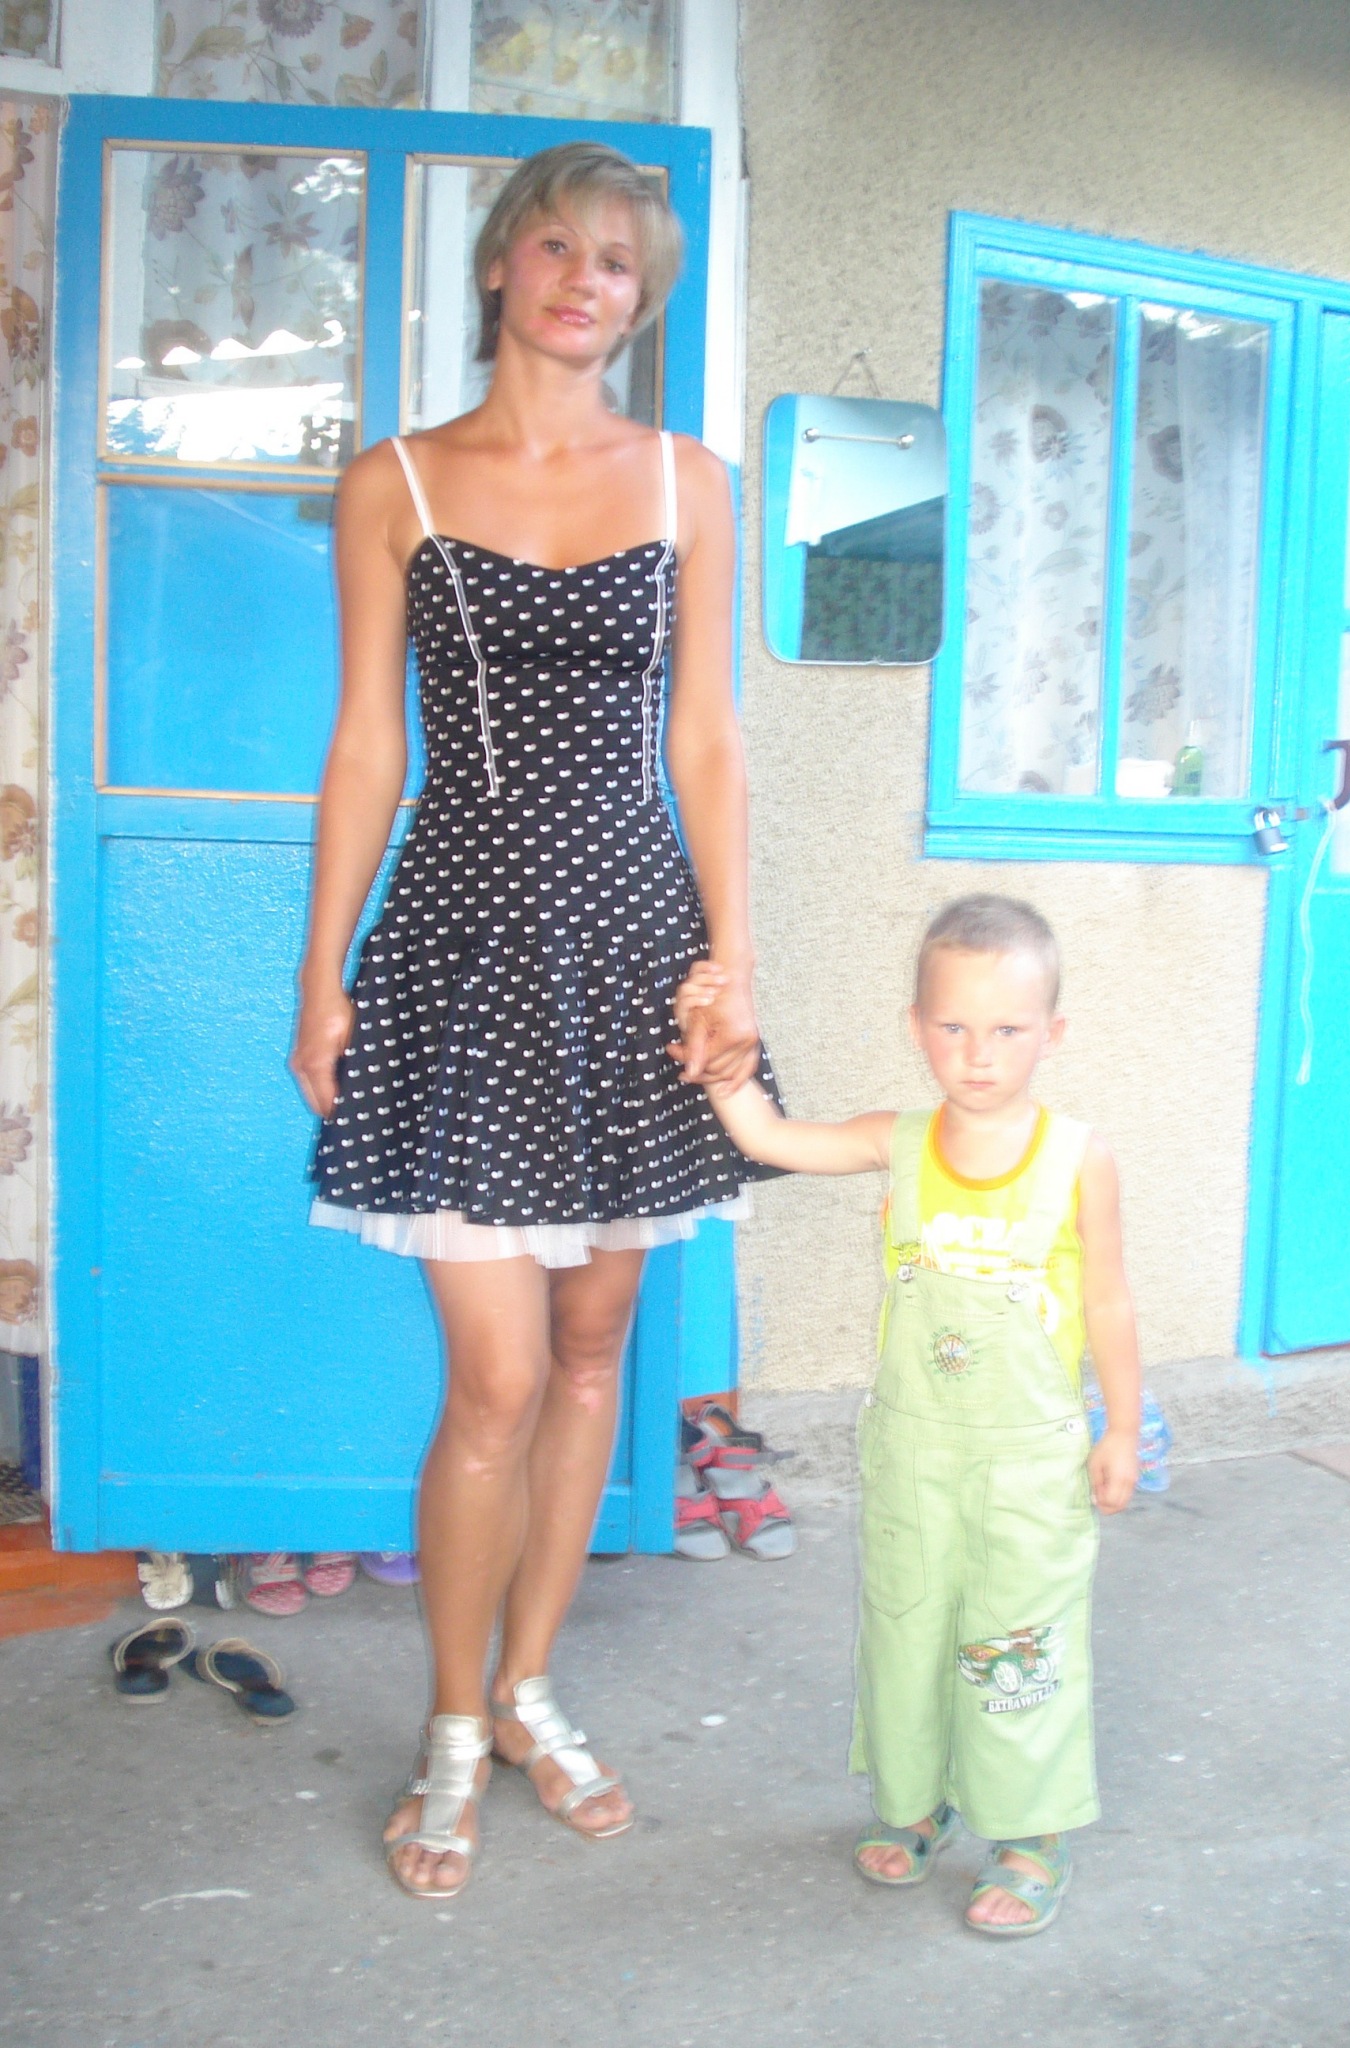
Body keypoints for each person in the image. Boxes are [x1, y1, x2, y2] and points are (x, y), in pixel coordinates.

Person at [289, 142, 775, 1902]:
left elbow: (705, 740)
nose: (587, 280)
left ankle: (528, 1689)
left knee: (592, 1350)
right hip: (463, 946)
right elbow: (369, 743)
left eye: (619, 261)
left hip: (639, 947)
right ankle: (446, 1724)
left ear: (642, 297)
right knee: (493, 1376)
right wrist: (322, 970)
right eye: (559, 247)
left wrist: (734, 963)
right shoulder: (396, 482)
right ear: (502, 264)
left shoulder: (689, 481)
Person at [675, 894, 1140, 1937]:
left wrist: (1120, 1425)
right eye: (953, 1026)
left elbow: (1109, 1299)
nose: (979, 1054)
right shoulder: (900, 1141)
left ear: (1054, 1032)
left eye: (1008, 1029)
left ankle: (1031, 1832)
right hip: (915, 1454)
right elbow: (769, 1135)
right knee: (908, 1630)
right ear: (915, 1026)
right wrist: (717, 1051)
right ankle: (918, 1801)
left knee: (1017, 1641)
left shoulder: (1078, 1158)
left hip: (1030, 1464)